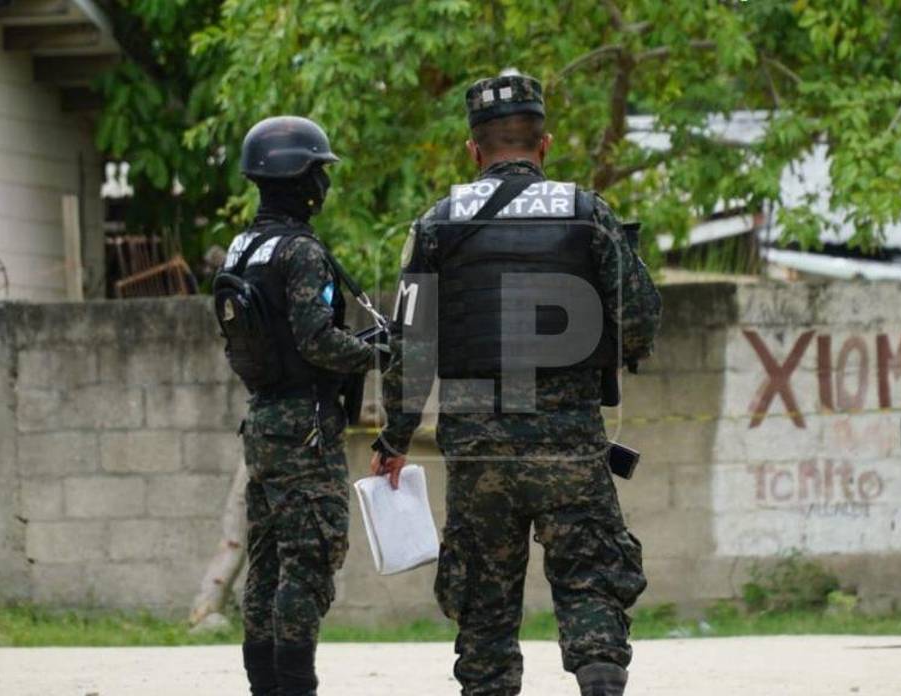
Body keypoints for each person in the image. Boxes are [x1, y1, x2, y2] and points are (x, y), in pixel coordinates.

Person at [370, 75, 662, 696]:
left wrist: (394, 438)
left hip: (479, 451)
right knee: (591, 587)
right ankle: (600, 679)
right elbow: (640, 322)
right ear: (544, 144)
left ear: (473, 151)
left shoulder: (437, 224)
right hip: (570, 442)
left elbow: (410, 347)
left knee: (484, 613)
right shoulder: (589, 214)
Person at [217, 116, 377, 696]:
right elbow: (317, 342)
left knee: (266, 564)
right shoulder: (300, 251)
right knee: (308, 560)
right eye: (318, 173)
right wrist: (375, 352)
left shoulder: (242, 248)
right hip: (305, 427)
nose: (323, 185)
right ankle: (295, 685)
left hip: (262, 422)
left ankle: (266, 686)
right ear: (300, 180)